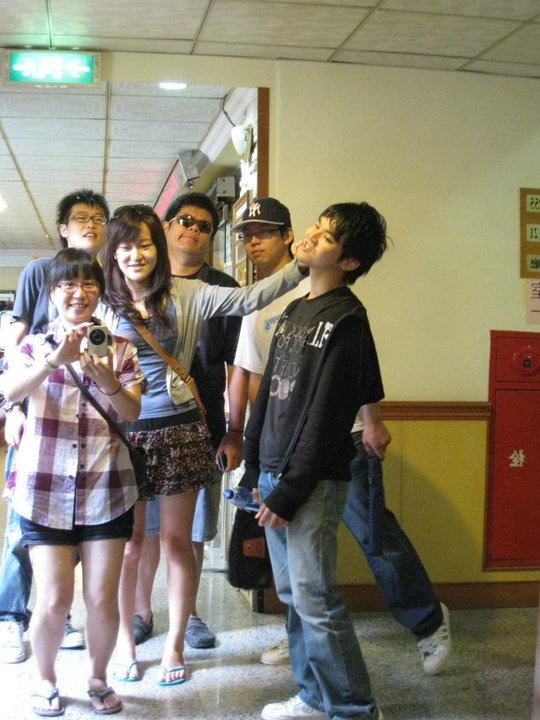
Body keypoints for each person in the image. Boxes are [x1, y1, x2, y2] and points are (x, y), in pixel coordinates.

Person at [228, 197, 451, 677]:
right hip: (283, 451)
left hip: (335, 442)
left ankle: (427, 622)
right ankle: (307, 657)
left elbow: (358, 374)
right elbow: (257, 380)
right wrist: (251, 456)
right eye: (247, 235)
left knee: (373, 538)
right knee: (297, 581)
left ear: (287, 236)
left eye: (264, 232)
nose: (253, 241)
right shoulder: (264, 303)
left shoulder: (343, 310)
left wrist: (372, 419)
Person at [97, 203, 306, 686]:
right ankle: (126, 642)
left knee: (178, 544)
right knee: (129, 546)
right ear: (113, 252)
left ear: (158, 247)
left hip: (180, 430)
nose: (135, 255)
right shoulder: (103, 304)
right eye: (124, 247)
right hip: (125, 435)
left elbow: (251, 297)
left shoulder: (188, 293)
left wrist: (301, 265)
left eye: (143, 245)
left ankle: (174, 645)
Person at [240, 201, 388, 720]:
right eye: (316, 228)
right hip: (274, 474)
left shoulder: (348, 321)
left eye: (325, 237)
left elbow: (327, 418)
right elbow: (266, 399)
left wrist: (289, 489)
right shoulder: (294, 309)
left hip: (312, 483)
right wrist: (254, 468)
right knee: (293, 593)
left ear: (348, 261)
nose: (309, 237)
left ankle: (355, 708)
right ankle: (312, 695)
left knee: (315, 598)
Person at [0, 247, 144, 716]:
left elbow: (132, 412)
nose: (78, 293)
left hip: (107, 488)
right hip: (44, 491)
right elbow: (10, 391)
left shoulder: (119, 348)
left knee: (101, 599)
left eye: (88, 284)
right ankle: (45, 680)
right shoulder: (31, 347)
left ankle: (98, 679)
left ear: (100, 292)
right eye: (67, 284)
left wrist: (108, 380)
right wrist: (53, 360)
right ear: (51, 292)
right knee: (52, 600)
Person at [0, 189, 110, 664]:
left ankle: (58, 614)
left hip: (89, 425)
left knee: (78, 522)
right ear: (63, 228)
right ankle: (10, 616)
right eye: (80, 217)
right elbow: (16, 343)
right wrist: (13, 408)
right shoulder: (40, 272)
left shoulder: (110, 280)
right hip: (39, 416)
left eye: (98, 217)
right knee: (24, 524)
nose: (91, 224)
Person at [131, 192, 242, 650]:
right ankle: (140, 611)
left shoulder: (221, 287)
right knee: (143, 532)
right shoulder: (140, 280)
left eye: (203, 225)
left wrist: (235, 431)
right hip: (140, 427)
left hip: (204, 425)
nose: (192, 229)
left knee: (191, 532)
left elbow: (240, 365)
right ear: (166, 226)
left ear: (211, 236)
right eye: (184, 220)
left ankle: (189, 614)